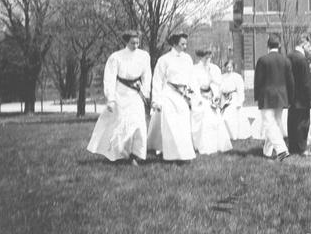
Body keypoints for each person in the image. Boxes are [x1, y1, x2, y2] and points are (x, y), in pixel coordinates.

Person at [87, 30, 151, 166]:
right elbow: (109, 79)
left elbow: (147, 75)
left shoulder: (144, 56)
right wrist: (110, 99)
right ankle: (121, 154)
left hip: (136, 95)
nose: (136, 45)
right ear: (126, 42)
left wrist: (145, 93)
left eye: (138, 42)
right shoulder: (116, 57)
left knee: (138, 124)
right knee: (121, 125)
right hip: (120, 94)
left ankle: (136, 154)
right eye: (133, 42)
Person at [148, 33, 196, 162]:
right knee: (171, 125)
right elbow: (157, 80)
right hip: (169, 94)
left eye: (186, 44)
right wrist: (155, 100)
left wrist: (193, 96)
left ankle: (184, 154)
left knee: (183, 125)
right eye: (182, 44)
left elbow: (192, 78)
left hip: (183, 96)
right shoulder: (164, 59)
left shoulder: (188, 59)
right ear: (174, 44)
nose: (185, 46)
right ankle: (171, 155)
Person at [254, 34, 294, 160]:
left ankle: (281, 150)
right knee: (275, 123)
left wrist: (256, 97)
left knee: (269, 124)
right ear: (279, 45)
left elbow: (258, 81)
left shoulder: (263, 60)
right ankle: (266, 151)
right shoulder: (286, 60)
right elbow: (290, 81)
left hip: (266, 96)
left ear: (267, 45)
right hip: (281, 96)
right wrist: (290, 98)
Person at [191, 49, 232, 154]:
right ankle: (202, 146)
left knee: (215, 121)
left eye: (209, 57)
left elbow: (218, 83)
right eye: (206, 57)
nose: (208, 59)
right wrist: (199, 98)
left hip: (211, 97)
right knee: (203, 122)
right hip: (200, 97)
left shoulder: (214, 68)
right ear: (201, 57)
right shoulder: (195, 69)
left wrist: (216, 96)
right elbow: (194, 86)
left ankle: (215, 145)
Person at [287, 34, 311, 156]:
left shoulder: (289, 56)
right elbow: (306, 82)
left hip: (292, 97)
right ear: (303, 44)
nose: (309, 48)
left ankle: (292, 147)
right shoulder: (302, 59)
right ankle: (301, 149)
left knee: (292, 122)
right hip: (303, 98)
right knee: (303, 123)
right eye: (308, 45)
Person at [220, 59, 251, 140]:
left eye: (230, 67)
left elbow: (240, 90)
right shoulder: (222, 77)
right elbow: (220, 89)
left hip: (233, 98)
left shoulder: (237, 77)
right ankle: (226, 135)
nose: (229, 69)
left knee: (232, 117)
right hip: (224, 99)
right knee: (224, 117)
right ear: (225, 68)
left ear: (233, 67)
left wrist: (240, 102)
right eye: (227, 67)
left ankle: (234, 135)